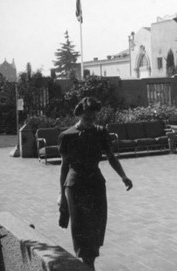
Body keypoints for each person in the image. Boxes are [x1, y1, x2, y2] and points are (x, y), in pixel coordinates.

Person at [58, 97, 133, 270]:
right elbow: (64, 168)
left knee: (97, 226)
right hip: (75, 187)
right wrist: (62, 197)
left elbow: (111, 157)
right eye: (87, 118)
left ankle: (89, 262)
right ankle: (88, 264)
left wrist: (123, 176)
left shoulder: (100, 132)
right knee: (82, 230)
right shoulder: (67, 136)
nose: (90, 121)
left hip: (96, 185)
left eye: (93, 118)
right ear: (80, 115)